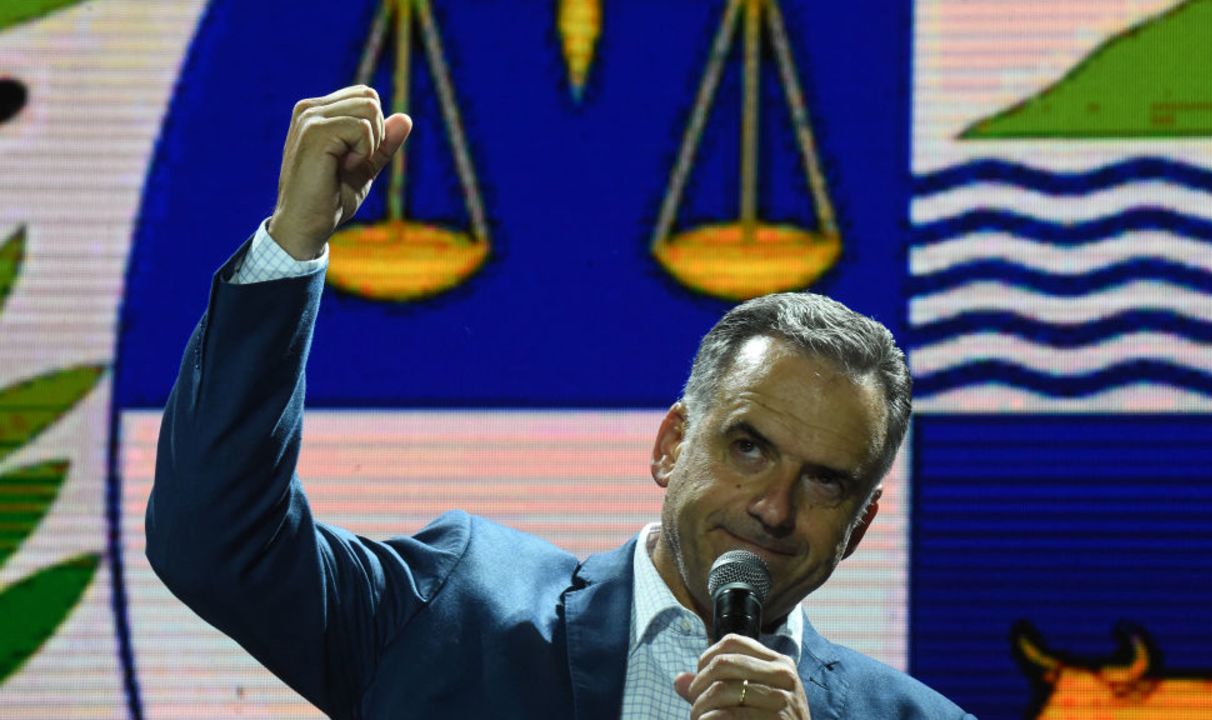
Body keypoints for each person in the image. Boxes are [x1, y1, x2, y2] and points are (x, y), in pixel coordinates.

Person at [146, 85, 975, 719]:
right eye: (748, 446)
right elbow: (214, 543)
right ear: (671, 444)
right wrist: (295, 243)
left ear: (860, 526)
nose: (772, 507)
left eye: (826, 481)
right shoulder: (457, 610)